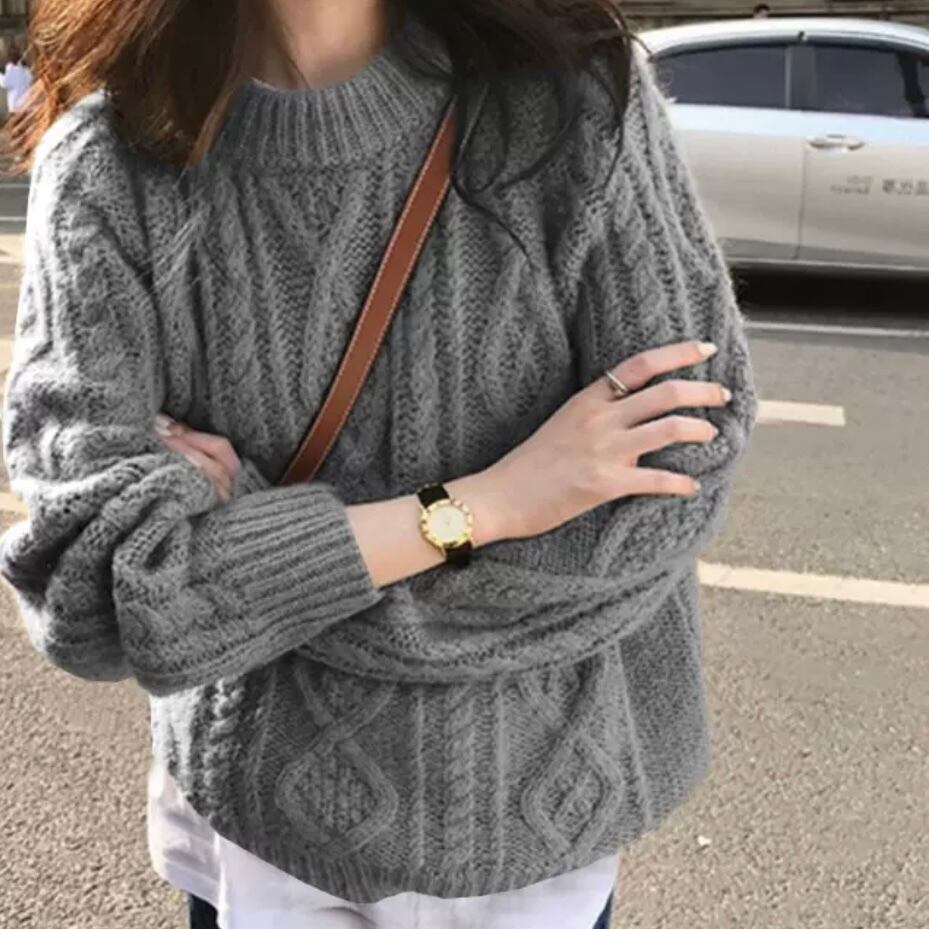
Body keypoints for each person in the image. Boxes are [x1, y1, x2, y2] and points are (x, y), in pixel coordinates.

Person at [0, 1, 756, 927]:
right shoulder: (112, 165)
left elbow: (680, 470)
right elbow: (90, 589)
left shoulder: (572, 102)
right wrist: (488, 504)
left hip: (544, 822)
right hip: (263, 839)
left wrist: (259, 565)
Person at [0, 44, 33, 113]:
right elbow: (30, 80)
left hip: (17, 108)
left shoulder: (12, 70)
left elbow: (4, 83)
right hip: (28, 106)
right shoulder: (26, 70)